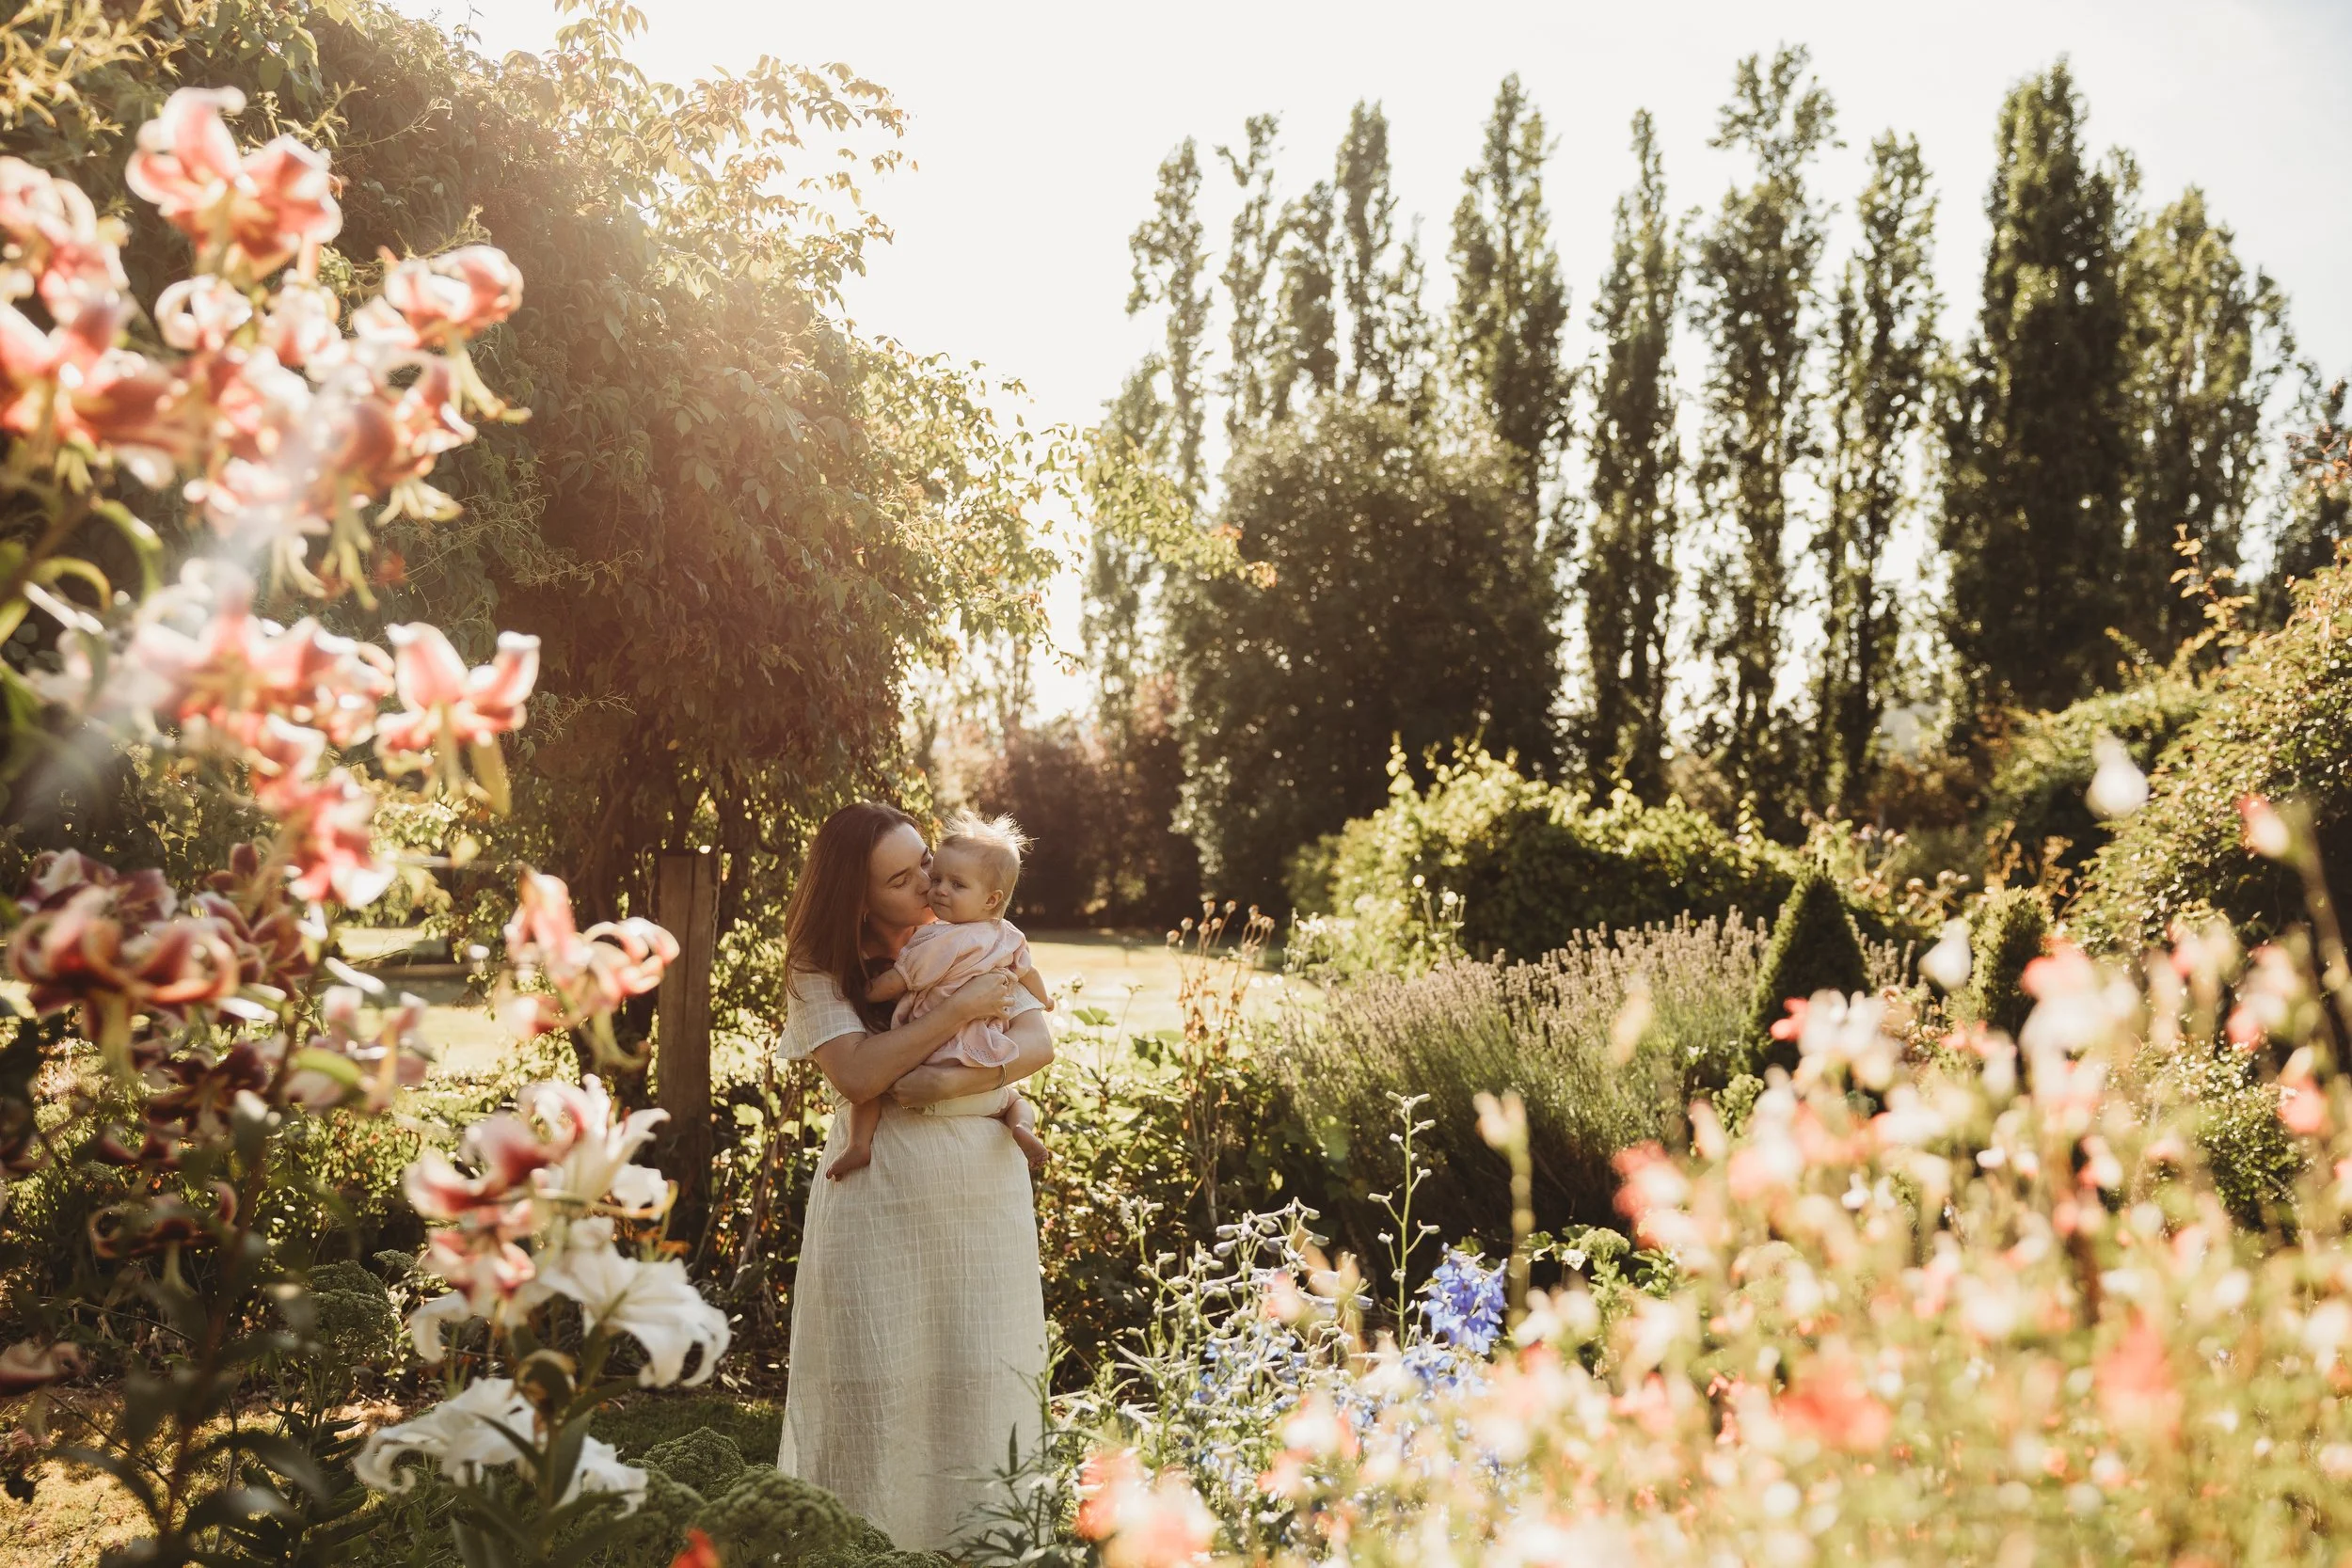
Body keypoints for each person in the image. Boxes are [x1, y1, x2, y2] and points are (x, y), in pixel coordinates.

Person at [773, 800, 1053, 1549]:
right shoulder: (820, 964)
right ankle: (864, 1547)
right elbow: (859, 1073)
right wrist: (958, 1009)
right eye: (900, 880)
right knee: (876, 1373)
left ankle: (982, 1548)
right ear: (857, 897)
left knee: (982, 1369)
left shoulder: (972, 926)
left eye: (925, 861)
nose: (927, 883)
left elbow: (1037, 1040)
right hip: (880, 1194)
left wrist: (949, 1082)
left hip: (981, 1190)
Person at [827, 811, 1053, 1181]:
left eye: (927, 866)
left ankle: (858, 1144)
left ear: (991, 898)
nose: (933, 888)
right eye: (937, 878)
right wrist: (1046, 1000)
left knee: (872, 1096)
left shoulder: (937, 940)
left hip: (930, 1062)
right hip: (978, 1055)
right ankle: (1022, 1126)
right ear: (861, 898)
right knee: (1014, 1102)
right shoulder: (1008, 935)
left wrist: (868, 991)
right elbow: (1029, 972)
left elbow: (899, 979)